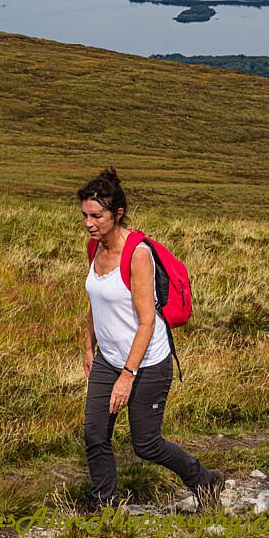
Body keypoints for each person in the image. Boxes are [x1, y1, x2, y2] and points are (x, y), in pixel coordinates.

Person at [78, 168, 224, 510]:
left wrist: (127, 377)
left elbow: (146, 323)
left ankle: (205, 480)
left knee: (146, 443)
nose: (88, 223)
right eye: (84, 215)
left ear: (118, 214)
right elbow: (95, 299)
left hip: (147, 362)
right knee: (95, 435)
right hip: (108, 358)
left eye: (96, 216)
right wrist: (88, 347)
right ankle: (107, 507)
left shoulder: (138, 254)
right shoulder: (94, 248)